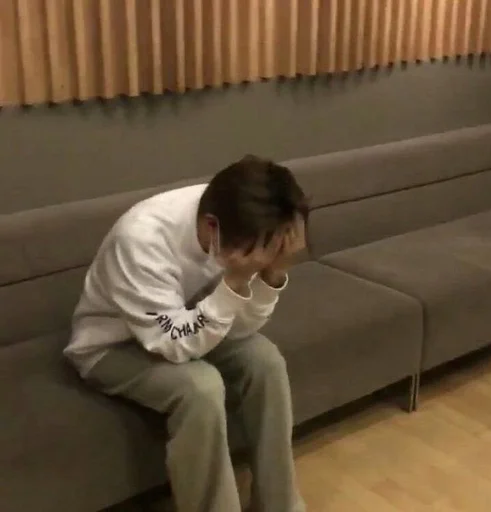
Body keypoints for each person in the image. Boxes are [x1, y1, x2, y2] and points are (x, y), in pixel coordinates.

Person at [64, 155, 308, 512]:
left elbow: (239, 328)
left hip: (192, 324)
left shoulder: (244, 223)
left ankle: (279, 505)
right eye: (260, 253)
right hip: (113, 346)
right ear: (211, 226)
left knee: (266, 361)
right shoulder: (142, 240)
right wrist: (236, 281)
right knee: (201, 387)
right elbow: (173, 344)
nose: (263, 257)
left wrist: (272, 275)